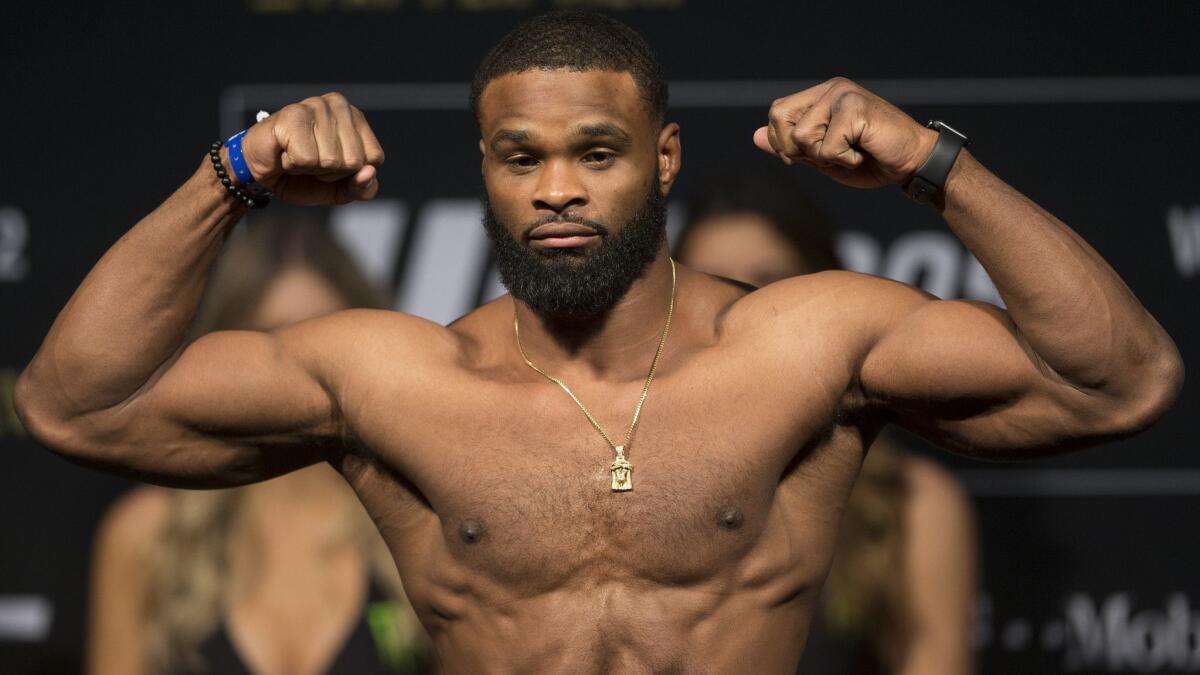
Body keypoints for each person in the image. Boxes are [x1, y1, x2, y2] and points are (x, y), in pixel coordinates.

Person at [15, 10, 1182, 674]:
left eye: (598, 154)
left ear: (662, 158)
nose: (558, 191)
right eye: (522, 159)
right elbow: (78, 405)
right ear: (485, 170)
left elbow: (1120, 379)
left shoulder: (800, 345)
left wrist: (936, 167)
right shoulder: (401, 379)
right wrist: (231, 177)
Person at [86, 217, 432, 675]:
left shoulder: (421, 529)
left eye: (327, 339)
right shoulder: (150, 536)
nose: (303, 373)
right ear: (220, 352)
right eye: (273, 344)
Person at [676, 167, 977, 674]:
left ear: (828, 290)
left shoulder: (910, 503)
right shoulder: (618, 474)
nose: (745, 306)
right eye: (714, 284)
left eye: (771, 281)